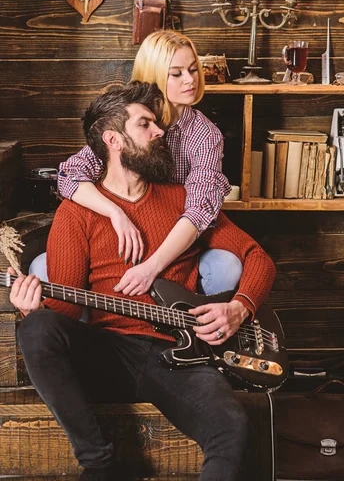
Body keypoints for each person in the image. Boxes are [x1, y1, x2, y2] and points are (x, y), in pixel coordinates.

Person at [9, 82, 276, 481]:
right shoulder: (75, 213)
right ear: (114, 140)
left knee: (232, 427)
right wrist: (32, 306)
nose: (160, 133)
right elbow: (65, 309)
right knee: (37, 328)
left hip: (178, 355)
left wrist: (239, 308)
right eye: (146, 124)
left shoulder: (182, 200)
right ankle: (100, 465)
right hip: (108, 351)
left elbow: (258, 259)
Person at [57, 30, 242, 298]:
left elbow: (199, 211)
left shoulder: (205, 135)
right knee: (42, 267)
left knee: (227, 267)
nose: (190, 80)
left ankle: (192, 330)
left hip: (175, 241)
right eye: (176, 73)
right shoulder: (129, 118)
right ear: (155, 74)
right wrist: (115, 213)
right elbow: (69, 175)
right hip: (119, 232)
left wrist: (152, 267)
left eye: (193, 69)